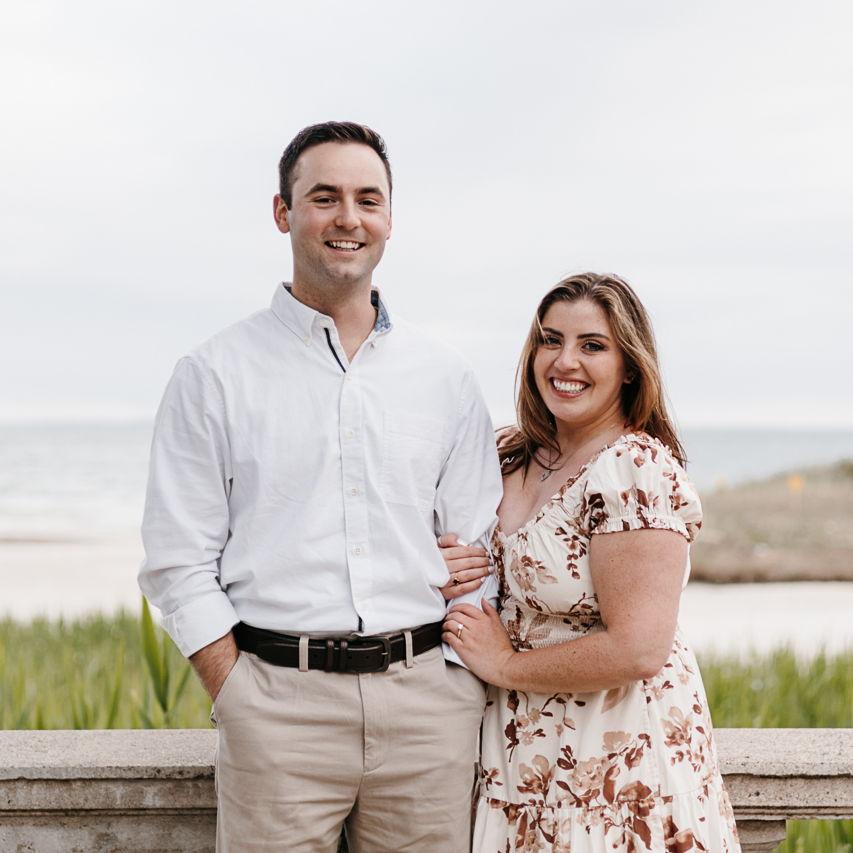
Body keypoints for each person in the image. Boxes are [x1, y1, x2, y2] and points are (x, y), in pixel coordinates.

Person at [139, 121, 502, 852]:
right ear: (283, 213)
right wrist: (236, 690)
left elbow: (478, 541)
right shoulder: (213, 373)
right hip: (277, 708)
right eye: (324, 197)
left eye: (368, 199)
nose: (348, 217)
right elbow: (177, 557)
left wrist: (459, 680)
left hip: (427, 713)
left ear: (390, 219)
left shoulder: (445, 377)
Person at [441, 273, 741, 851]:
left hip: (613, 760)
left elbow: (639, 647)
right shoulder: (508, 454)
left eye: (593, 345)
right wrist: (451, 564)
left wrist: (503, 665)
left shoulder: (633, 469)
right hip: (519, 756)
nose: (565, 362)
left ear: (629, 366)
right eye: (551, 340)